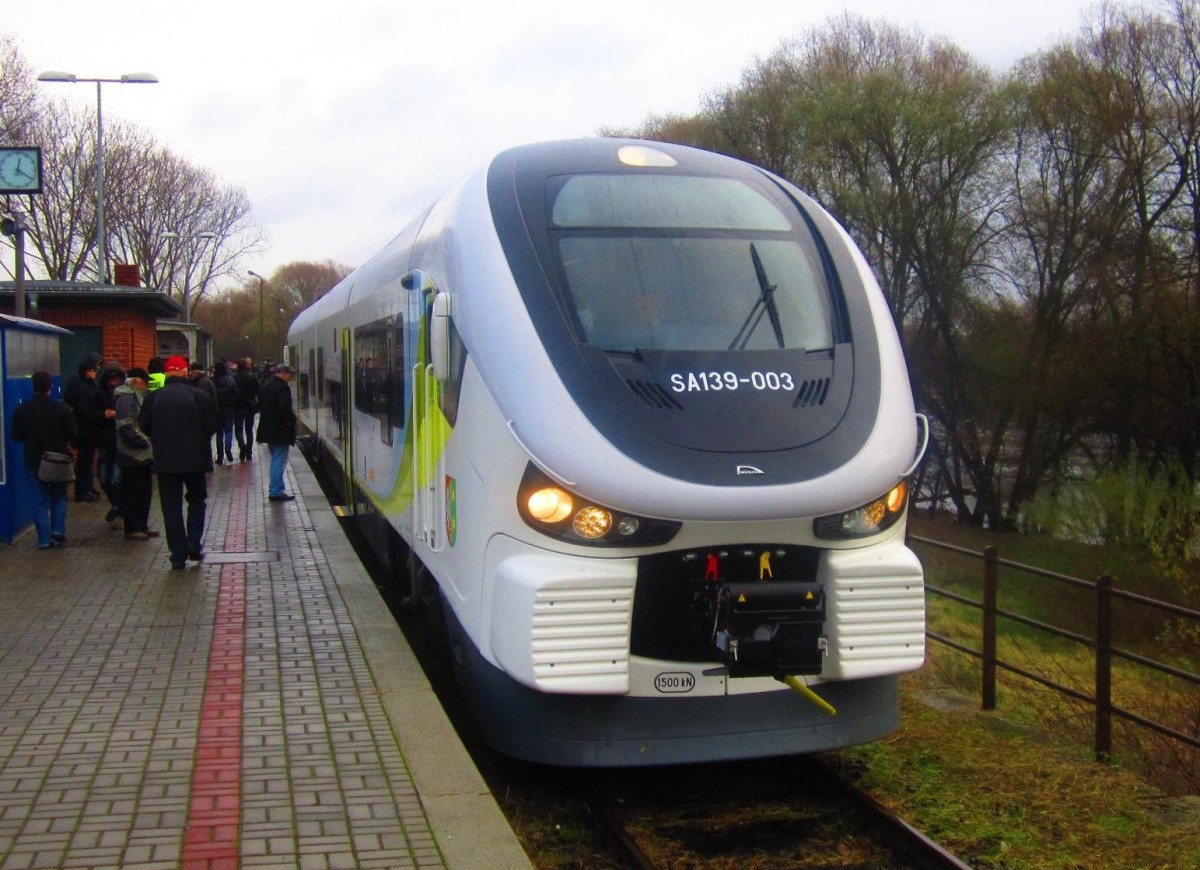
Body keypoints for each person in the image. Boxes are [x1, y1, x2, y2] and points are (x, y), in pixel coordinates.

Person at [139, 355, 219, 569]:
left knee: (171, 507)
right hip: (195, 460)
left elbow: (144, 425)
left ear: (166, 373)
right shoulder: (199, 396)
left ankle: (177, 553)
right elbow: (212, 424)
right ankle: (193, 543)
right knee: (196, 500)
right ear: (185, 372)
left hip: (166, 462)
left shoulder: (153, 397)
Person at [11, 370, 80, 549]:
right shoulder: (62, 409)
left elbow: (17, 435)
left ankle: (43, 540)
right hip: (59, 460)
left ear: (33, 386)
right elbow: (73, 434)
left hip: (34, 461)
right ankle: (57, 531)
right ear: (50, 386)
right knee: (59, 497)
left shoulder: (22, 409)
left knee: (39, 501)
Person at [114, 367, 158, 541]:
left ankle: (141, 525)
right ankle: (132, 527)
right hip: (132, 454)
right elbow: (126, 427)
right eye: (144, 382)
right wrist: (146, 442)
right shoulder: (126, 399)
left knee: (144, 492)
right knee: (133, 491)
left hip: (142, 455)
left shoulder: (136, 397)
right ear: (135, 381)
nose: (146, 386)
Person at [62, 353, 102, 502]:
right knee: (85, 460)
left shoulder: (83, 384)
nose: (96, 372)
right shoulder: (83, 387)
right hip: (85, 429)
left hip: (85, 428)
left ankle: (86, 486)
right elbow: (85, 410)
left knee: (87, 459)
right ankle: (82, 490)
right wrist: (100, 416)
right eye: (94, 369)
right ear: (87, 370)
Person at [256, 363, 297, 501]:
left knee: (275, 458)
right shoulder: (282, 388)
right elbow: (284, 409)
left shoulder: (266, 385)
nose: (289, 378)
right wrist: (292, 420)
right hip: (280, 430)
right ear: (284, 374)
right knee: (279, 460)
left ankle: (276, 489)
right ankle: (276, 491)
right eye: (289, 375)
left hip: (268, 428)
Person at [96, 360, 126, 527]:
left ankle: (118, 508)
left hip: (120, 443)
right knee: (103, 479)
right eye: (111, 380)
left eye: (116, 379)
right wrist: (103, 415)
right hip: (105, 441)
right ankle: (116, 506)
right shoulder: (99, 395)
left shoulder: (126, 395)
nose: (114, 383)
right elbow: (90, 414)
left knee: (115, 479)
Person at [211, 360, 238, 464]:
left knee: (219, 433)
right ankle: (228, 449)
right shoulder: (230, 380)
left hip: (217, 409)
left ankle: (220, 456)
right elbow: (236, 394)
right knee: (228, 430)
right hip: (229, 408)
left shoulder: (213, 381)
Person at [233, 357, 259, 461]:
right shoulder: (252, 378)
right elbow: (257, 390)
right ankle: (249, 452)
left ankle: (242, 446)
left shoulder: (234, 378)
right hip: (250, 406)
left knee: (238, 430)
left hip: (238, 406)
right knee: (249, 430)